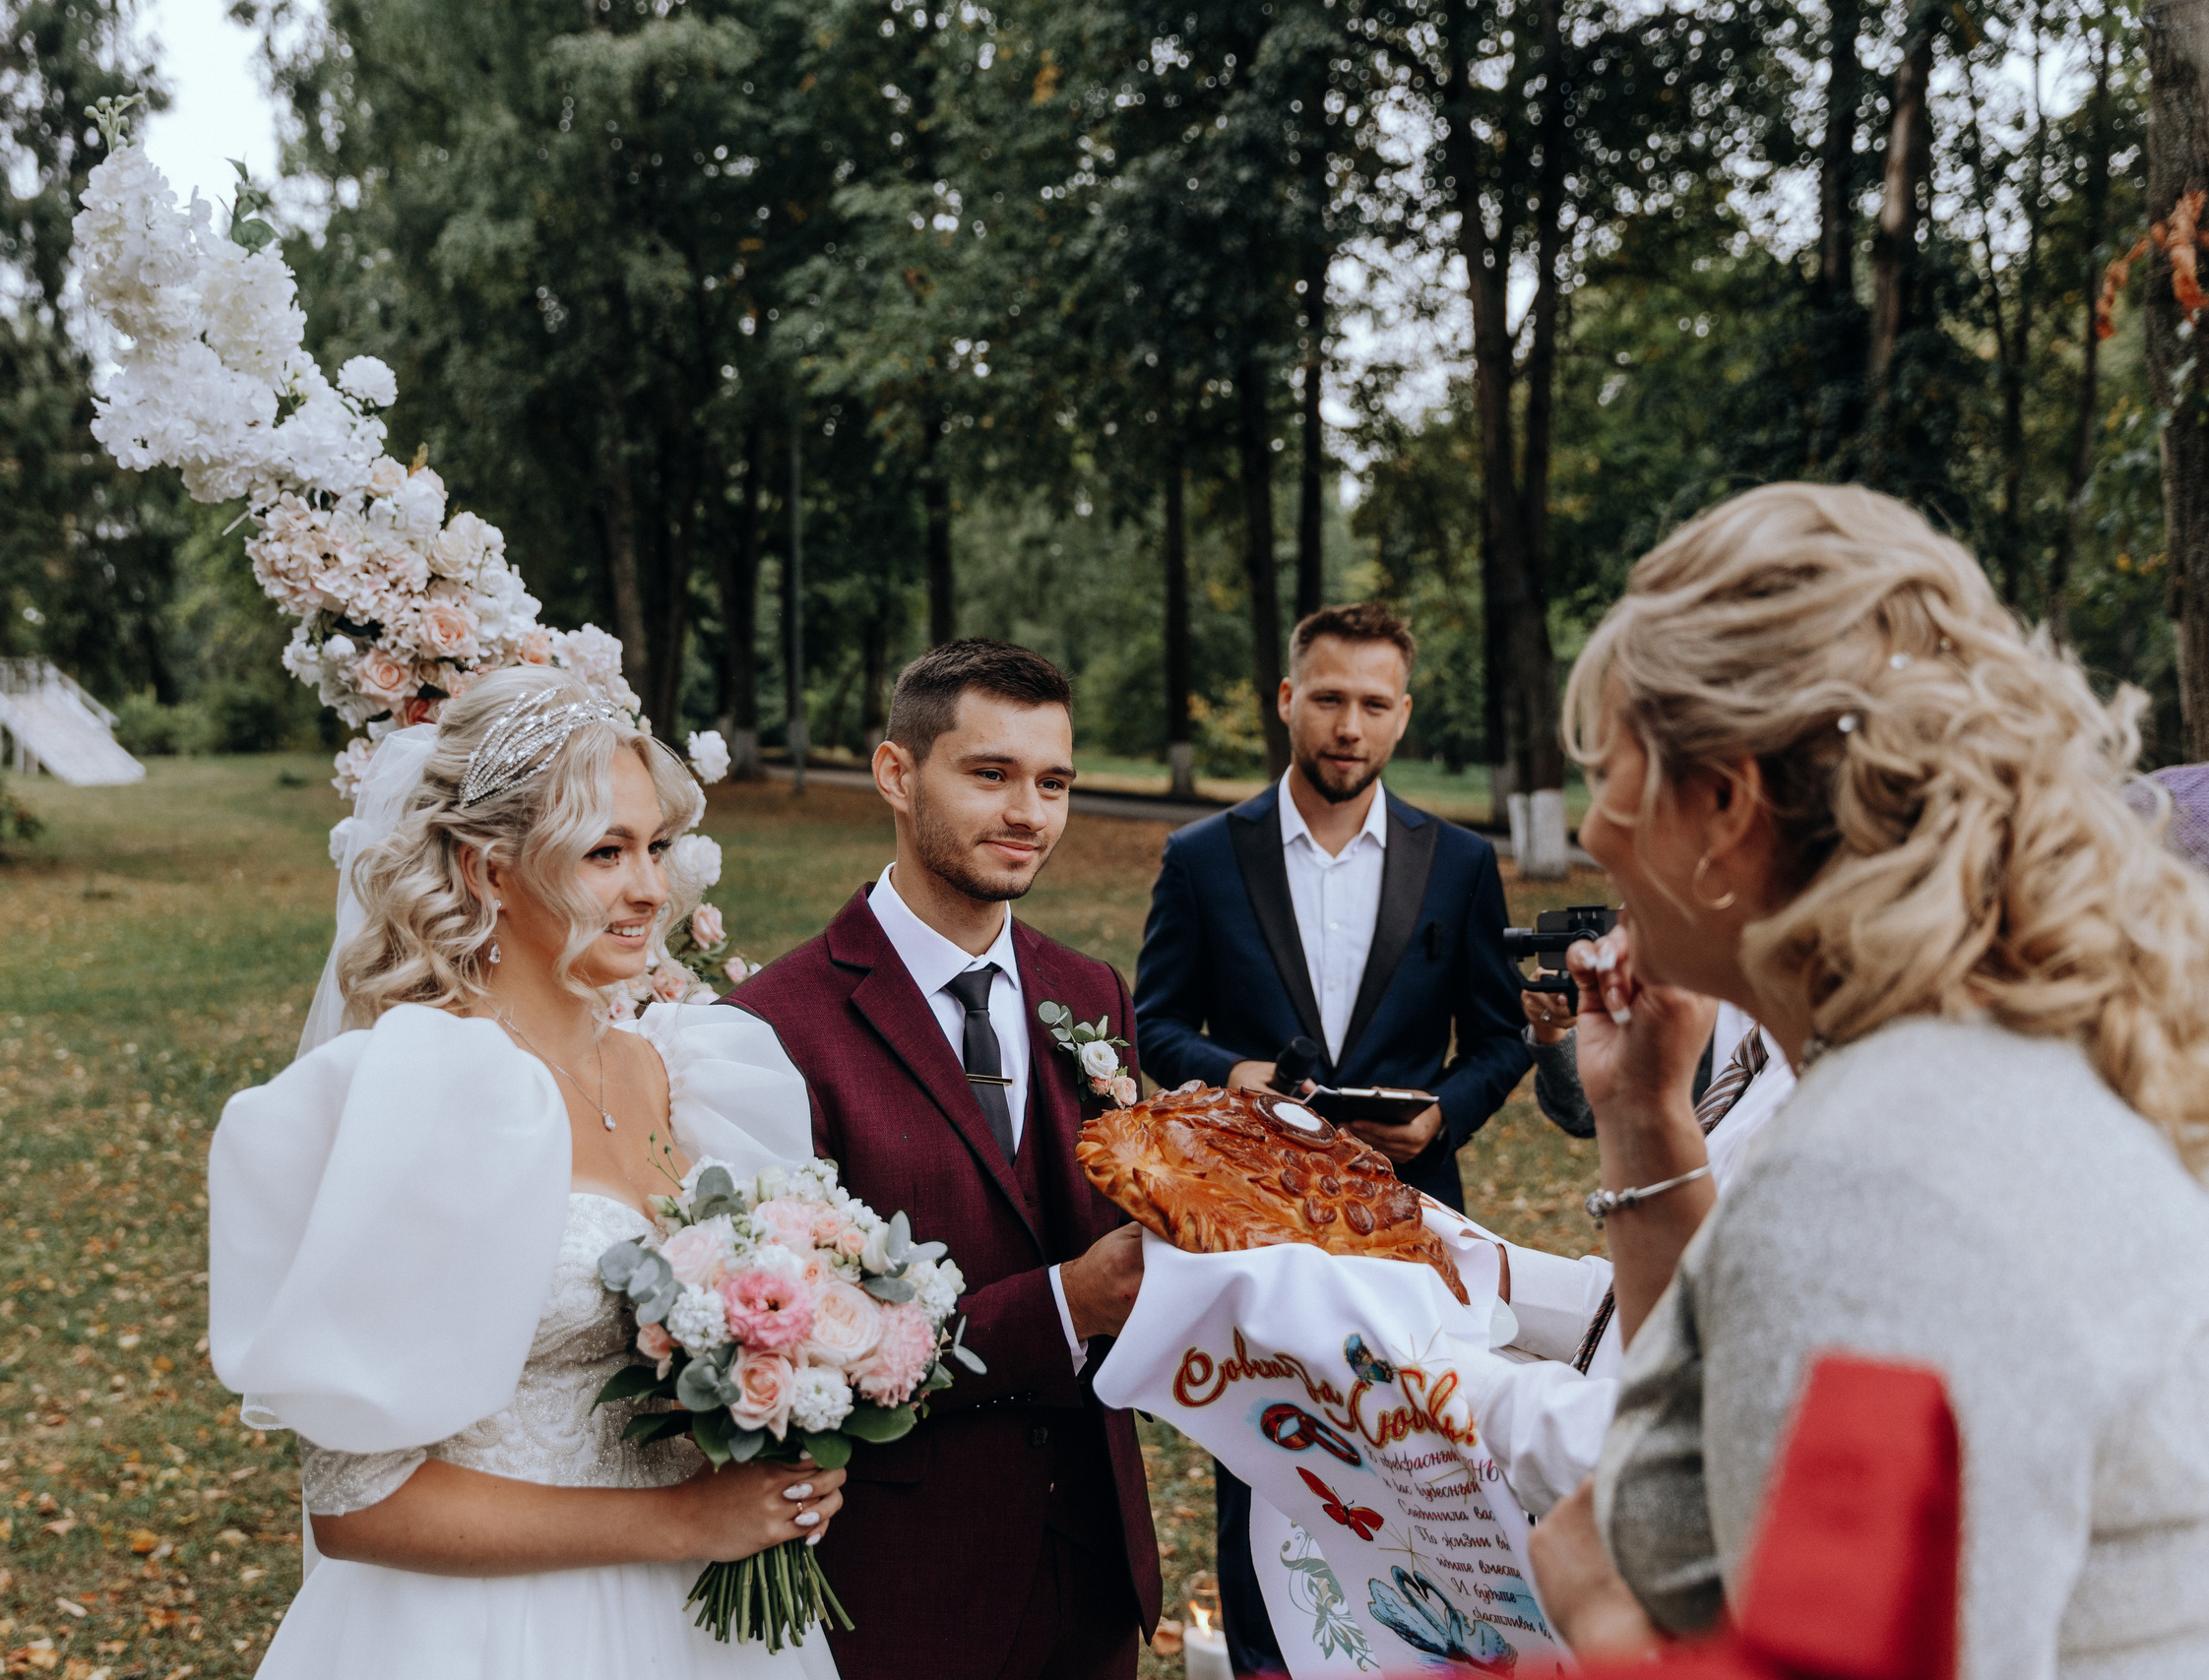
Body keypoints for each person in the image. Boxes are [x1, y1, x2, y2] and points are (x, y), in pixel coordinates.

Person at [1520, 483, 2209, 1674]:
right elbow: (1758, 1390)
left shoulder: (1884, 1171)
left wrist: (1598, 1618)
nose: (1591, 833)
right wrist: (1640, 1113)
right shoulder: (1946, 1080)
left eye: (1613, 773)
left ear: (1724, 804)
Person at [207, 669, 846, 1680]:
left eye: (656, 847)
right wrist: (681, 1522)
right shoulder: (424, 1092)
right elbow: (355, 1505)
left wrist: (780, 1433)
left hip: (702, 1630)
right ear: (487, 870)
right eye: (604, 853)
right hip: (486, 1637)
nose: (650, 889)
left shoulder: (683, 1070)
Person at [728, 641, 1162, 1680]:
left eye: (1052, 782)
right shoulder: (774, 1026)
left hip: (1094, 1560)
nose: (1029, 814)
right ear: (894, 774)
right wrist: (1064, 1305)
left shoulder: (1090, 992)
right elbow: (799, 1348)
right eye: (990, 774)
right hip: (904, 1577)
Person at [1132, 602, 1526, 1677]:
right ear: (1287, 701)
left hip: (1413, 1228)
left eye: (1373, 704)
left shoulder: (1459, 864)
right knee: (1265, 1472)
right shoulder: (1205, 856)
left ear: (1402, 717)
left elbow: (1498, 1038)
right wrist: (1233, 1075)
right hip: (1258, 1232)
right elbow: (1151, 1020)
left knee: (1423, 1474)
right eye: (1329, 699)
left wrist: (1445, 1112)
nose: (1348, 725)